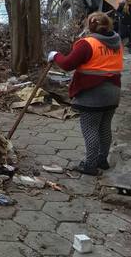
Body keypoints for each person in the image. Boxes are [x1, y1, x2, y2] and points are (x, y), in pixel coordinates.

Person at [47, 12, 123, 175]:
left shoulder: (87, 44)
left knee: (90, 129)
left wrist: (55, 56)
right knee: (104, 127)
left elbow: (67, 64)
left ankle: (90, 165)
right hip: (113, 92)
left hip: (92, 94)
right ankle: (102, 160)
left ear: (89, 25)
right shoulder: (117, 42)